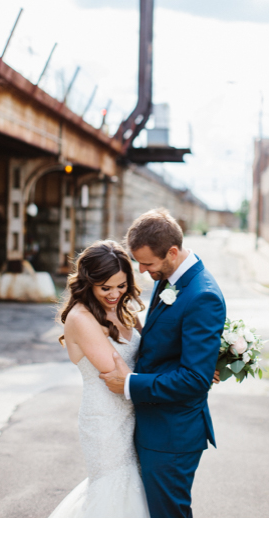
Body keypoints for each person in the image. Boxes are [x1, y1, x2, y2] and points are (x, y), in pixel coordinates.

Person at [99, 208, 227, 518]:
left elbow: (195, 380)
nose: (142, 271)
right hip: (155, 427)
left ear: (172, 251)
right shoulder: (170, 275)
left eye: (147, 263)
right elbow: (166, 337)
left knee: (169, 518)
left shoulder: (202, 296)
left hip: (172, 434)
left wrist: (129, 383)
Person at [49, 240, 150, 518]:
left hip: (134, 414)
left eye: (121, 285)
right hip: (105, 421)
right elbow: (117, 376)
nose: (115, 294)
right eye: (105, 287)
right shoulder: (81, 318)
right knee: (113, 491)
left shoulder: (123, 308)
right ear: (88, 282)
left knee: (134, 490)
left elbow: (148, 355)